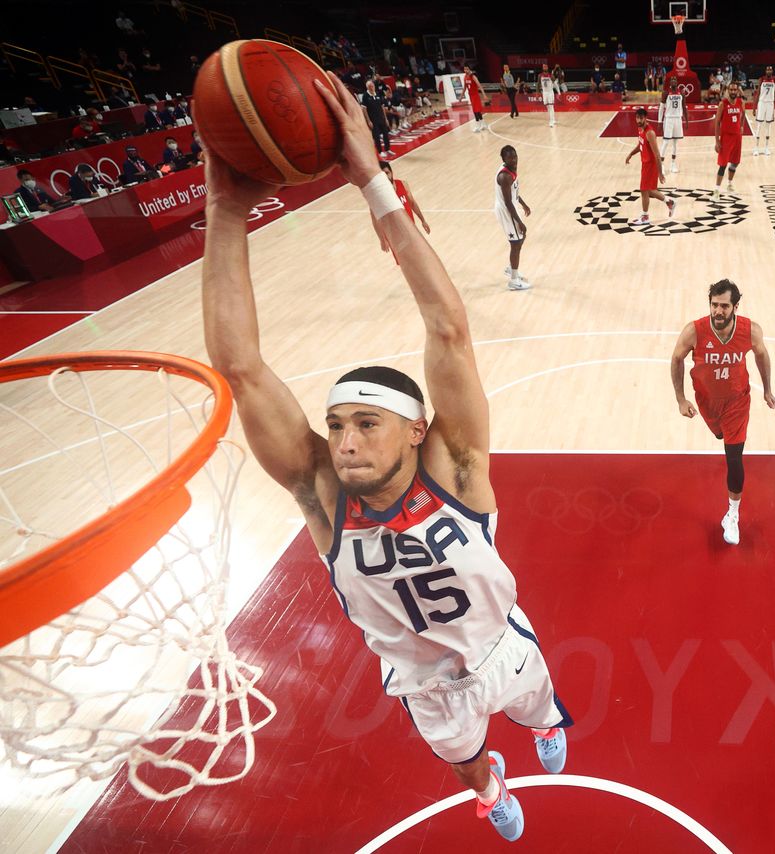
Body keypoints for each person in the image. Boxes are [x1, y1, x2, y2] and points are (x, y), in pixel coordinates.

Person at [202, 73, 570, 844]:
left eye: (366, 424)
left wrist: (372, 180)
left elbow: (449, 329)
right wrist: (226, 212)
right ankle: (490, 786)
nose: (343, 442)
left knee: (540, 705)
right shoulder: (322, 494)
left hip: (502, 646)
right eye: (336, 425)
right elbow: (241, 368)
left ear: (415, 430)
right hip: (427, 688)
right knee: (467, 765)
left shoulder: (456, 467)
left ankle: (540, 726)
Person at [669, 279, 775, 546]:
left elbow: (762, 356)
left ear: (735, 307)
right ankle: (719, 431)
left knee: (734, 457)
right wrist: (681, 399)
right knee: (719, 436)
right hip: (707, 401)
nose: (718, 311)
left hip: (736, 403)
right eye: (714, 305)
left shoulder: (750, 331)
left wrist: (767, 390)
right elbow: (676, 358)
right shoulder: (694, 331)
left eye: (724, 306)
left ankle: (732, 514)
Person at [371, 160, 430, 265]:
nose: (386, 176)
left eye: (387, 173)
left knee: (419, 259)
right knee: (407, 263)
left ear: (391, 172)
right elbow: (375, 219)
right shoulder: (377, 195)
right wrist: (382, 239)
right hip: (395, 236)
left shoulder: (403, 184)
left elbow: (412, 203)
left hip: (411, 230)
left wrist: (423, 220)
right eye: (382, 175)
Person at [624, 108, 675, 226]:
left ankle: (645, 216)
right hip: (645, 163)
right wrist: (631, 154)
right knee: (649, 191)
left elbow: (657, 155)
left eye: (641, 118)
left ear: (646, 118)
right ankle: (669, 202)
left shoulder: (650, 133)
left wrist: (660, 173)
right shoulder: (640, 129)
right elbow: (640, 144)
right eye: (637, 118)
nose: (639, 120)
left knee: (644, 190)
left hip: (651, 165)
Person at [494, 145, 533, 290]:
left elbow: (514, 192)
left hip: (511, 207)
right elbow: (508, 203)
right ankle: (514, 281)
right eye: (510, 158)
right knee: (516, 243)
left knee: (521, 237)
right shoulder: (505, 176)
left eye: (515, 156)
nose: (514, 160)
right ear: (504, 159)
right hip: (507, 210)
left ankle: (512, 268)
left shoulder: (511, 170)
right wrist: (519, 222)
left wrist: (523, 204)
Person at [713, 80, 746, 201]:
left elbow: (743, 115)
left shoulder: (741, 102)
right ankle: (716, 191)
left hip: (737, 137)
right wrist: (717, 141)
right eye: (731, 89)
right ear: (727, 90)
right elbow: (717, 123)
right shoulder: (723, 104)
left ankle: (729, 184)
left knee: (735, 162)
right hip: (726, 138)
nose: (733, 91)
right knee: (723, 164)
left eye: (735, 89)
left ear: (738, 91)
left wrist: (741, 126)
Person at [658, 75, 685, 174]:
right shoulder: (665, 93)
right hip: (668, 119)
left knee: (675, 143)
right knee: (665, 142)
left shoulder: (681, 92)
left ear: (677, 82)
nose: (673, 81)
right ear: (670, 82)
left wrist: (685, 120)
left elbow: (684, 107)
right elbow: (661, 108)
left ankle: (673, 164)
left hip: (678, 119)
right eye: (672, 79)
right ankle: (661, 165)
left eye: (675, 79)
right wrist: (659, 121)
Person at [360, 78, 393, 157]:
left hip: (381, 117)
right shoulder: (365, 96)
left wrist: (385, 118)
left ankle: (388, 149)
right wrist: (368, 121)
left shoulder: (378, 94)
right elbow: (364, 109)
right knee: (376, 136)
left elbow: (382, 107)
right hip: (373, 119)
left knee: (385, 134)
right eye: (370, 87)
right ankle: (380, 151)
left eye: (372, 86)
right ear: (367, 88)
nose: (372, 88)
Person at [753, 66, 775, 157]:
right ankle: (756, 148)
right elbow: (758, 93)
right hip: (762, 103)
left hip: (770, 104)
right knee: (759, 125)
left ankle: (766, 147)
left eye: (770, 69)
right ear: (765, 71)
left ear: (772, 71)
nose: (769, 71)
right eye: (767, 69)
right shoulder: (761, 79)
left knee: (768, 126)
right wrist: (754, 107)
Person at [463, 66, 488, 132]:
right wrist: (461, 96)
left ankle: (478, 126)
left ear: (469, 69)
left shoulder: (473, 77)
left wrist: (484, 95)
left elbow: (479, 86)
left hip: (475, 96)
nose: (466, 70)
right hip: (471, 96)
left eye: (467, 69)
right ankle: (483, 124)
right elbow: (465, 87)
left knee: (476, 111)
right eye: (464, 69)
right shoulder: (465, 77)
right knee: (477, 111)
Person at [539, 63, 557, 127]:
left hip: (550, 92)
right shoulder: (540, 75)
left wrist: (559, 92)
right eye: (543, 66)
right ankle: (553, 119)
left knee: (551, 106)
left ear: (547, 67)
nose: (545, 67)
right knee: (548, 107)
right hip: (544, 92)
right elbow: (538, 84)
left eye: (546, 66)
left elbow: (555, 84)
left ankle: (551, 121)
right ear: (542, 68)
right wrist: (537, 93)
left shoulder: (551, 75)